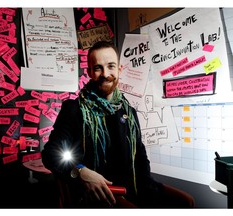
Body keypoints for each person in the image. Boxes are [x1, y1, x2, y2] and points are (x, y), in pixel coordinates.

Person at [41, 40, 195, 208]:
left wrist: (146, 188)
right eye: (98, 68)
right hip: (98, 195)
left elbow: (140, 155)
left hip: (133, 188)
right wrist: (80, 171)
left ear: (119, 69)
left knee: (186, 202)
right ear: (90, 72)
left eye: (111, 66)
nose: (105, 74)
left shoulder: (128, 111)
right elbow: (50, 154)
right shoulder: (74, 109)